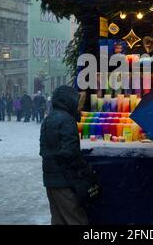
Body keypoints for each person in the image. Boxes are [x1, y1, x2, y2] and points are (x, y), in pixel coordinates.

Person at [40, 86, 89, 225]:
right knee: (76, 219)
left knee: (58, 219)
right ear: (69, 101)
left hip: (50, 178)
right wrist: (85, 170)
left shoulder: (49, 118)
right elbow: (70, 153)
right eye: (76, 101)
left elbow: (44, 150)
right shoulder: (67, 120)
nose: (78, 104)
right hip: (64, 179)